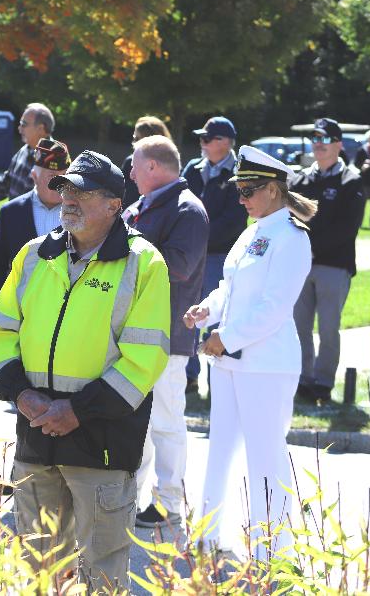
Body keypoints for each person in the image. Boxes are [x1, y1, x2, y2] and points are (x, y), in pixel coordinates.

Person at [0, 150, 169, 592]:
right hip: (35, 436)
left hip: (102, 443)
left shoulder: (144, 264)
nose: (68, 199)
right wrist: (22, 396)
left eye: (82, 191)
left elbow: (144, 360)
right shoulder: (33, 255)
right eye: (65, 189)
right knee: (35, 567)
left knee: (101, 572)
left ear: (113, 205)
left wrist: (77, 411)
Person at [185, 145, 316, 560]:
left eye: (249, 190)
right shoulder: (252, 231)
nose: (241, 198)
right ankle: (207, 535)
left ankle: (271, 551)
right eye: (239, 189)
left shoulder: (291, 238)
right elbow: (232, 288)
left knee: (265, 457)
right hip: (229, 362)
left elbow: (274, 307)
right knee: (219, 446)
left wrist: (227, 336)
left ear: (274, 190)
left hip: (266, 365)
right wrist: (209, 308)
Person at [124, 135, 208, 528]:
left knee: (166, 422)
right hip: (131, 335)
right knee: (132, 422)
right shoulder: (142, 206)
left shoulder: (188, 210)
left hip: (167, 337)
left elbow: (179, 266)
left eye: (135, 165)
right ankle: (132, 497)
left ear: (154, 168)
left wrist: (125, 248)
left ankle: (169, 503)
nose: (130, 172)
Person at [289, 118, 365, 403]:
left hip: (333, 266)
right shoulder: (299, 180)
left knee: (328, 328)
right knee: (299, 326)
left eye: (324, 139)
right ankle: (303, 379)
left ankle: (323, 382)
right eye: (315, 139)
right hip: (301, 266)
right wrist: (301, 251)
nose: (318, 144)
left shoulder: (351, 180)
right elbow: (289, 219)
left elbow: (347, 227)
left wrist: (312, 248)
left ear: (338, 144)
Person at [181, 116, 247, 392]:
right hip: (192, 256)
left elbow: (235, 218)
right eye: (201, 138)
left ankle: (218, 378)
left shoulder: (241, 174)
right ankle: (190, 377)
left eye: (208, 139)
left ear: (225, 142)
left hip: (222, 256)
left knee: (218, 317)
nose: (202, 143)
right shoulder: (193, 169)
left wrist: (200, 236)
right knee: (190, 316)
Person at [0, 138, 71, 305]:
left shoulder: (79, 212)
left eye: (64, 177)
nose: (59, 183)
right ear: (34, 176)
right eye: (52, 176)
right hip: (22, 310)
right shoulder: (11, 213)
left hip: (66, 314)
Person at [0, 102, 53, 204]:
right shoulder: (24, 150)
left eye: (24, 124)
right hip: (15, 219)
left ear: (40, 128)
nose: (19, 129)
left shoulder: (54, 160)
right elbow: (3, 186)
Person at [119, 116, 172, 209]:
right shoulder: (129, 163)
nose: (134, 143)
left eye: (137, 139)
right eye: (134, 138)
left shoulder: (171, 169)